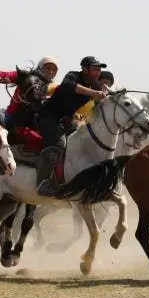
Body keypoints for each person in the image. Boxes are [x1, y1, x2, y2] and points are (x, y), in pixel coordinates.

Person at [35, 56, 109, 196]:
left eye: (100, 69)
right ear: (85, 69)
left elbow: (105, 95)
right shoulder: (73, 75)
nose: (99, 72)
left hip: (67, 121)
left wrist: (112, 94)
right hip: (48, 117)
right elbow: (69, 86)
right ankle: (43, 183)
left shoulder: (96, 85)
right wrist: (95, 93)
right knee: (59, 144)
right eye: (95, 68)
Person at [0, 57, 59, 152]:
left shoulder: (52, 87)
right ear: (40, 67)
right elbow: (2, 74)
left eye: (53, 70)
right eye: (48, 68)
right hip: (14, 119)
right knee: (38, 140)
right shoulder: (25, 77)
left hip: (34, 121)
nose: (50, 71)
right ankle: (19, 152)